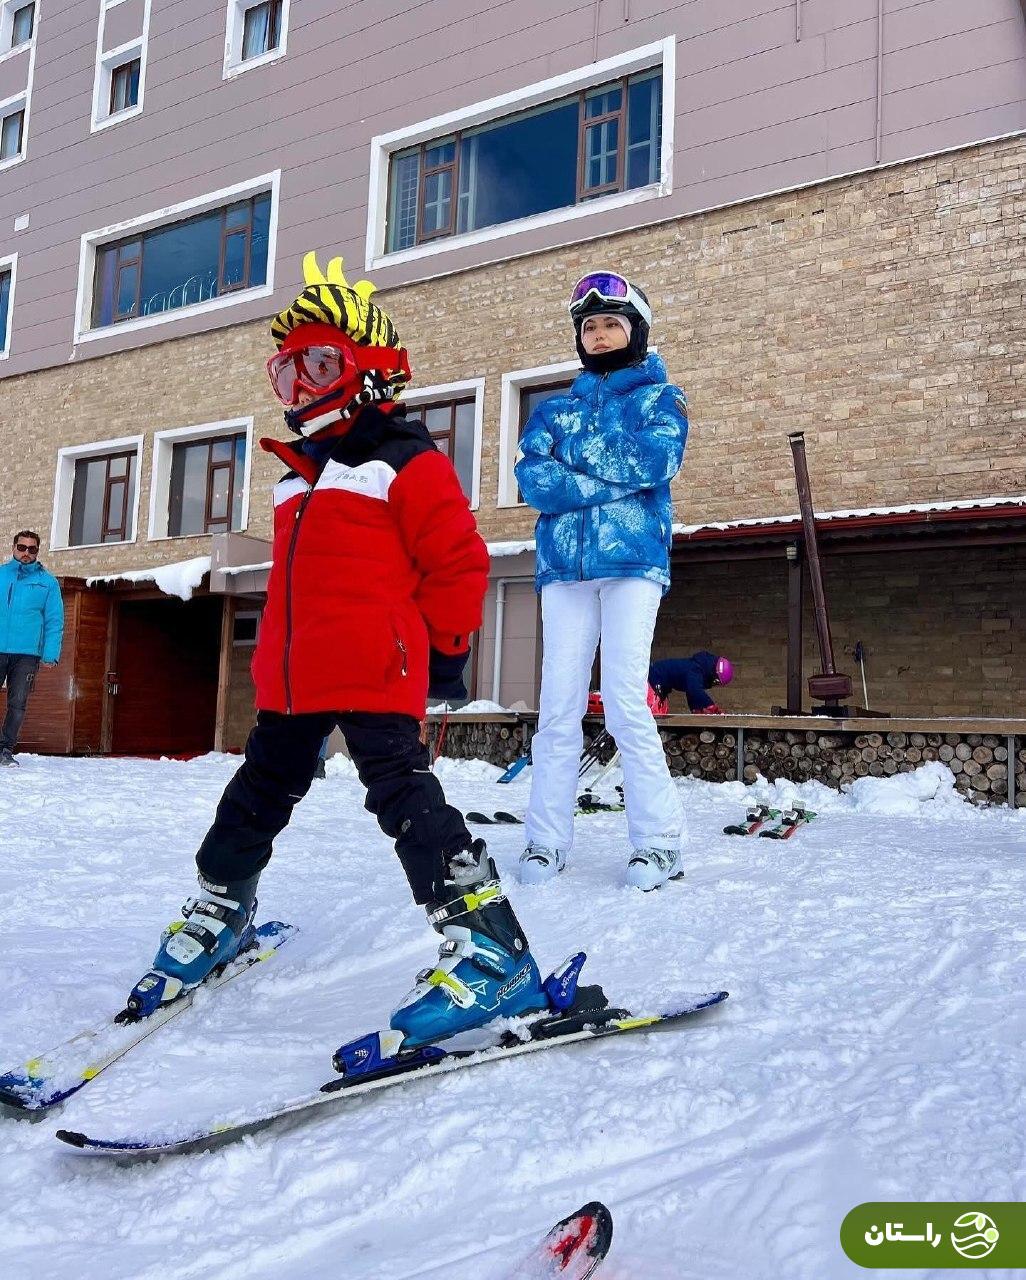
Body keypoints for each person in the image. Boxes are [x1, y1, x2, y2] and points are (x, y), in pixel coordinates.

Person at [130, 254, 554, 1049]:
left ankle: (493, 949)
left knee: (403, 797)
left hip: (376, 669)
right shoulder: (297, 476)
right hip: (296, 679)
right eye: (285, 373)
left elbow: (458, 561)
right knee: (256, 793)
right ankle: (223, 908)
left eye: (317, 365)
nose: (299, 388)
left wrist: (447, 653)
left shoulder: (405, 458)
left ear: (369, 372)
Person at [514, 270, 689, 891]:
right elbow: (532, 481)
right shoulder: (553, 408)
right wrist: (610, 480)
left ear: (635, 329)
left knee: (623, 700)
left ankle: (659, 841)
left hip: (632, 563)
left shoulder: (661, 400)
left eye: (612, 322)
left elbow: (656, 461)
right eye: (590, 325)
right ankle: (545, 841)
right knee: (557, 707)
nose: (600, 334)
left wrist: (575, 473)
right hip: (564, 569)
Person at [0, 530, 64, 766]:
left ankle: (5, 749)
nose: (26, 553)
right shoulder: (1, 575)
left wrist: (50, 653)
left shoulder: (47, 582)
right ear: (13, 548)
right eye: (22, 548)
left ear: (38, 551)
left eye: (32, 549)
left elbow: (54, 620)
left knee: (17, 703)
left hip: (27, 653)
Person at [649, 652, 734, 714]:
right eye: (716, 682)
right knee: (654, 715)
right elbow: (695, 690)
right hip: (655, 678)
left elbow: (691, 693)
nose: (714, 684)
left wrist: (696, 709)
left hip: (661, 684)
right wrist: (712, 707)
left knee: (661, 712)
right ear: (715, 674)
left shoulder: (698, 670)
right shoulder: (695, 669)